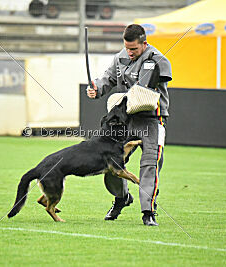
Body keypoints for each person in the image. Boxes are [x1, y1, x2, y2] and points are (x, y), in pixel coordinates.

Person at [86, 24, 172, 226]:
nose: (129, 53)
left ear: (144, 43)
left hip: (152, 119)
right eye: (127, 48)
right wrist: (96, 88)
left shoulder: (157, 59)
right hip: (126, 121)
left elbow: (143, 89)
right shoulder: (120, 57)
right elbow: (108, 78)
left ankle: (148, 212)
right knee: (111, 163)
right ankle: (121, 198)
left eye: (134, 49)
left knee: (150, 164)